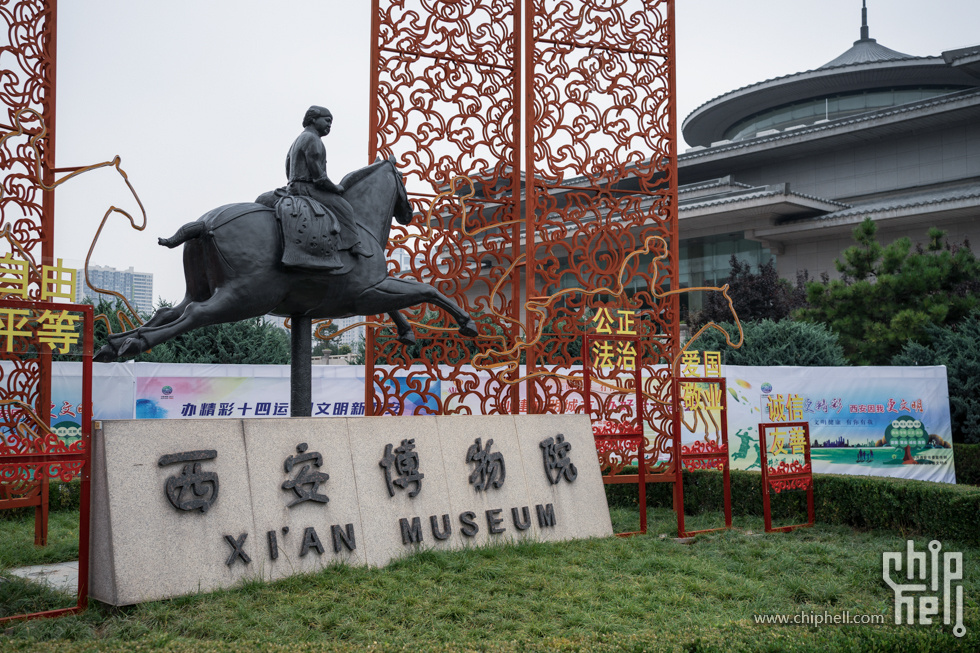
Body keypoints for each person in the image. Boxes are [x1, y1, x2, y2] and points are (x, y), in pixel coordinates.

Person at [285, 105, 371, 260]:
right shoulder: (313, 139)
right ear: (313, 119)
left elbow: (287, 167)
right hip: (307, 188)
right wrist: (336, 188)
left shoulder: (298, 139)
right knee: (345, 208)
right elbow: (319, 177)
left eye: (331, 122)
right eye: (327, 120)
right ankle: (354, 244)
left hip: (292, 187)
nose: (329, 125)